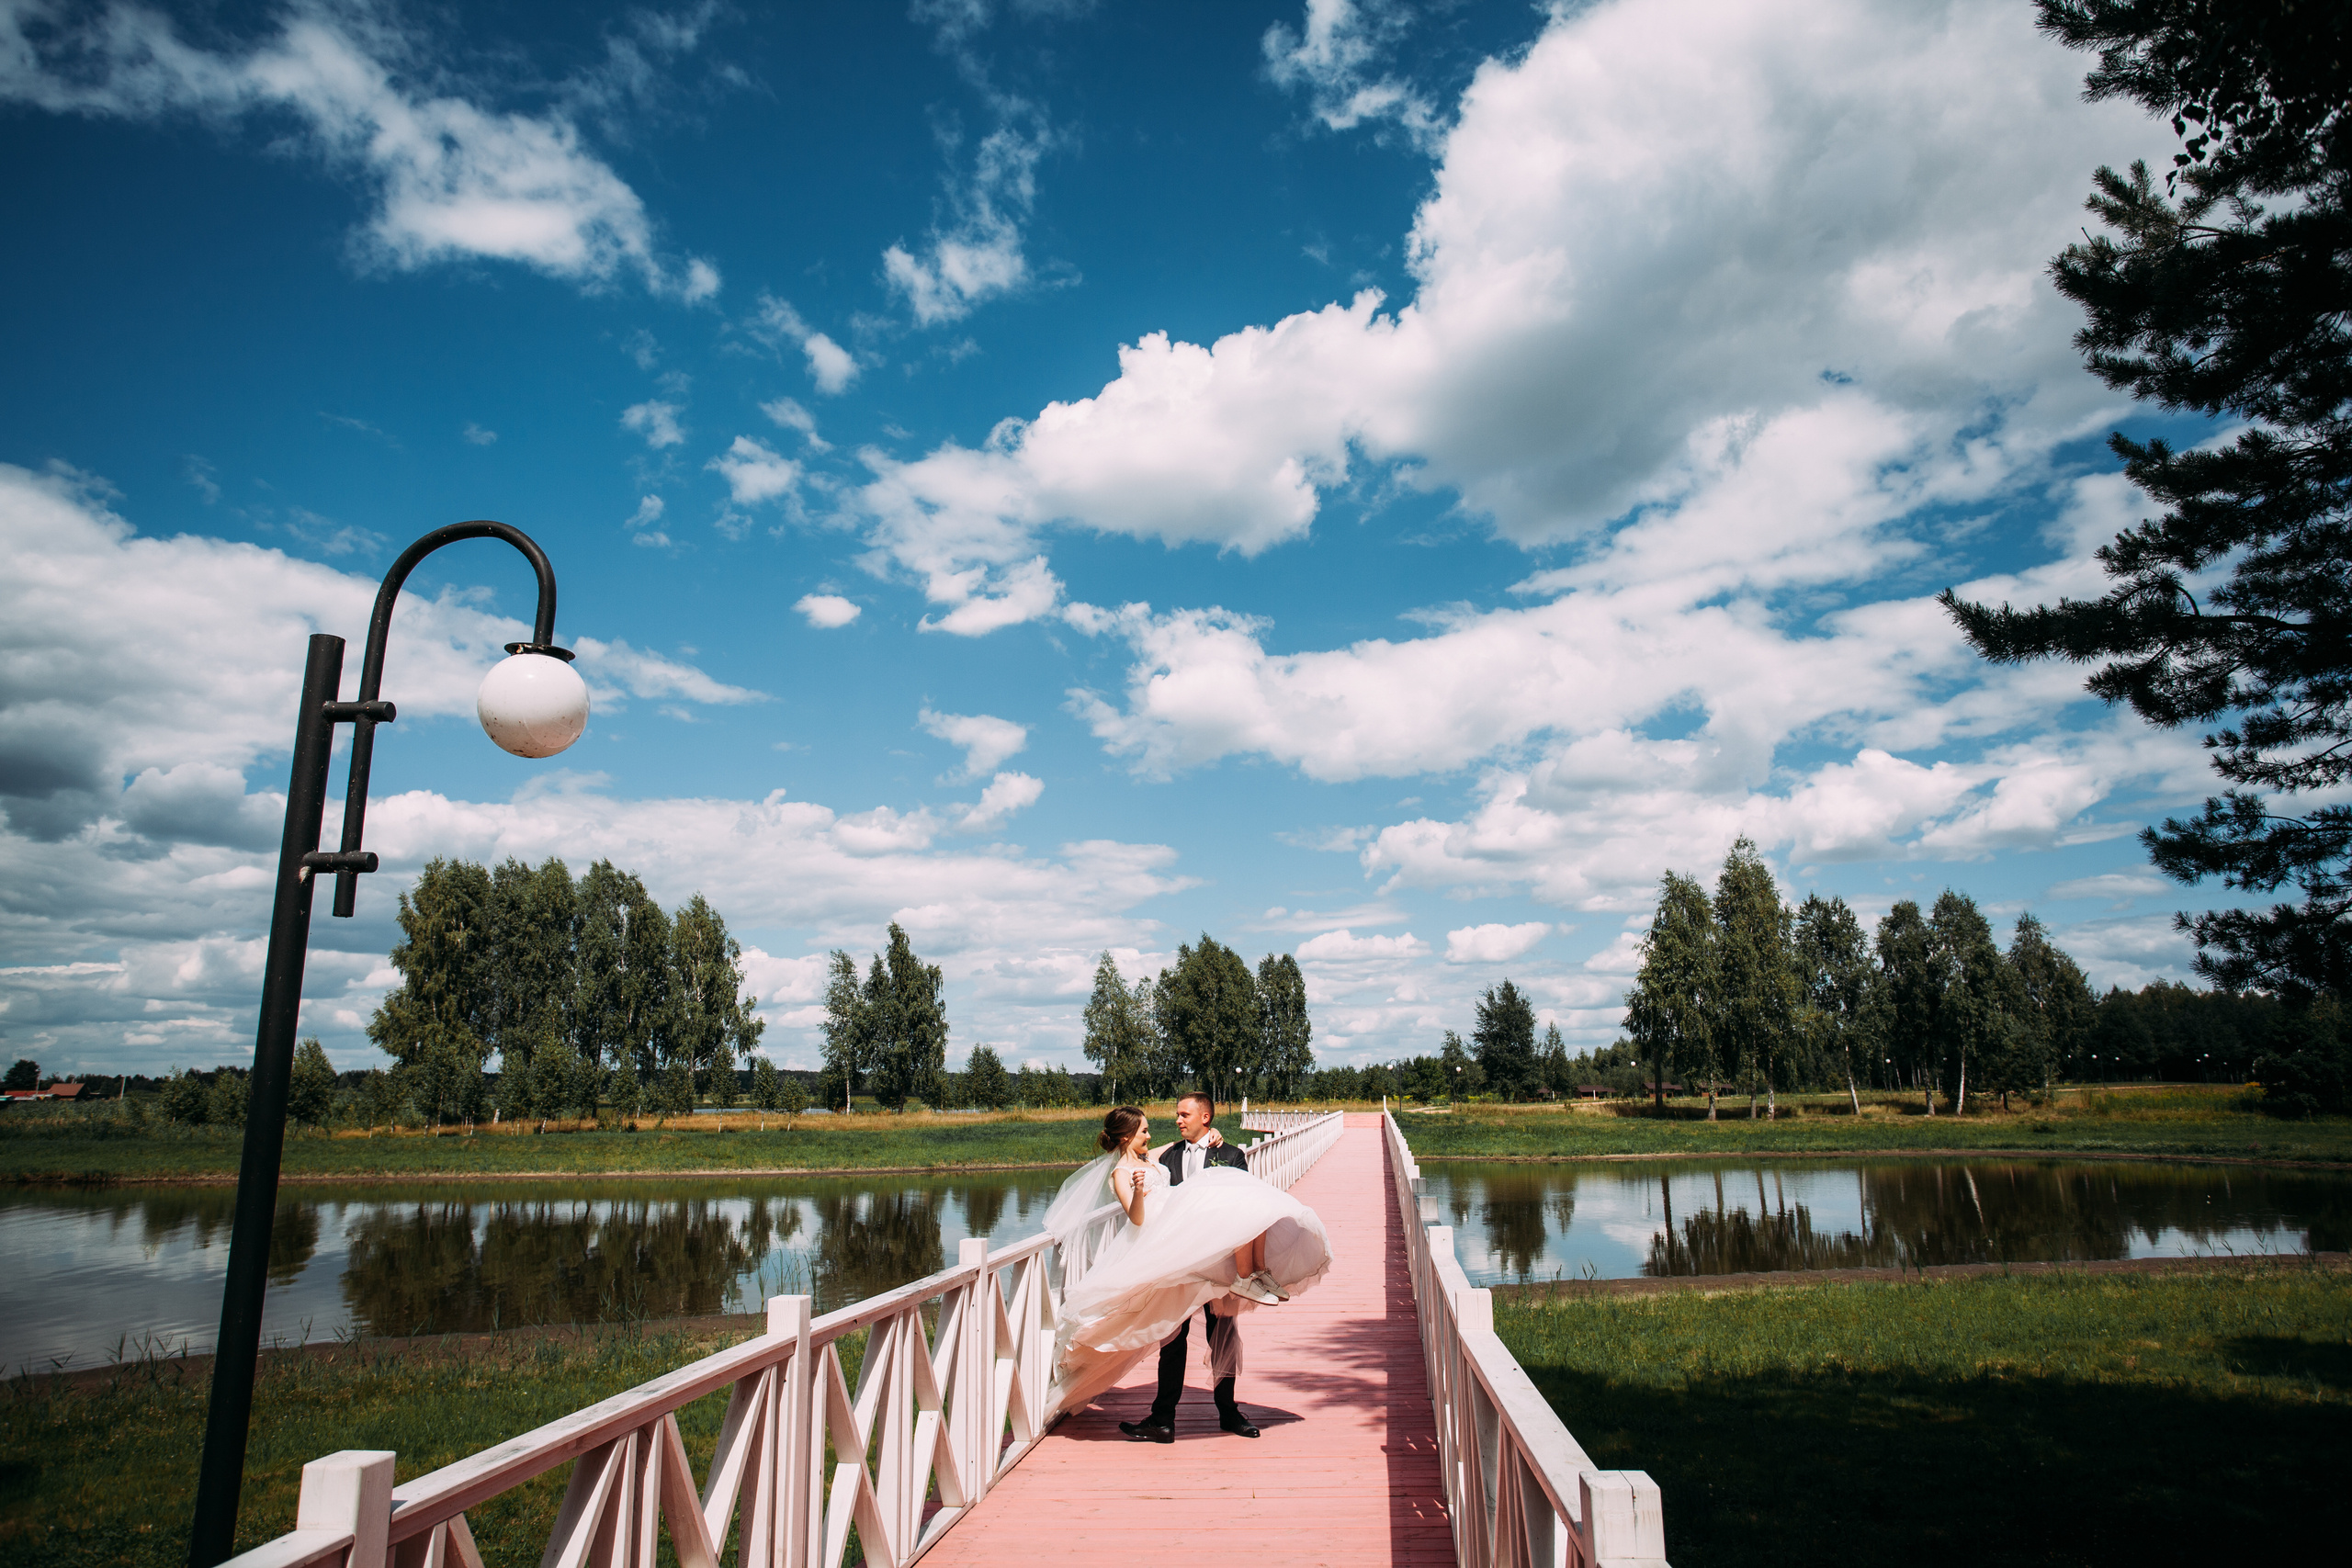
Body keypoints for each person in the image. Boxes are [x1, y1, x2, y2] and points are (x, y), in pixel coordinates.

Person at [1041, 1093, 1332, 1441]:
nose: (1177, 1120)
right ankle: (1163, 1418)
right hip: (1176, 1258)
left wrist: (1218, 1136)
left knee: (1222, 1333)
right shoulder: (1168, 1155)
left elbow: (1245, 1203)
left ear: (1205, 1117)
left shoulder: (1230, 1154)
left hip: (1220, 1262)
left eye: (1184, 1114)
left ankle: (1229, 1412)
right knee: (1172, 1340)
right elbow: (1140, 1204)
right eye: (1176, 1115)